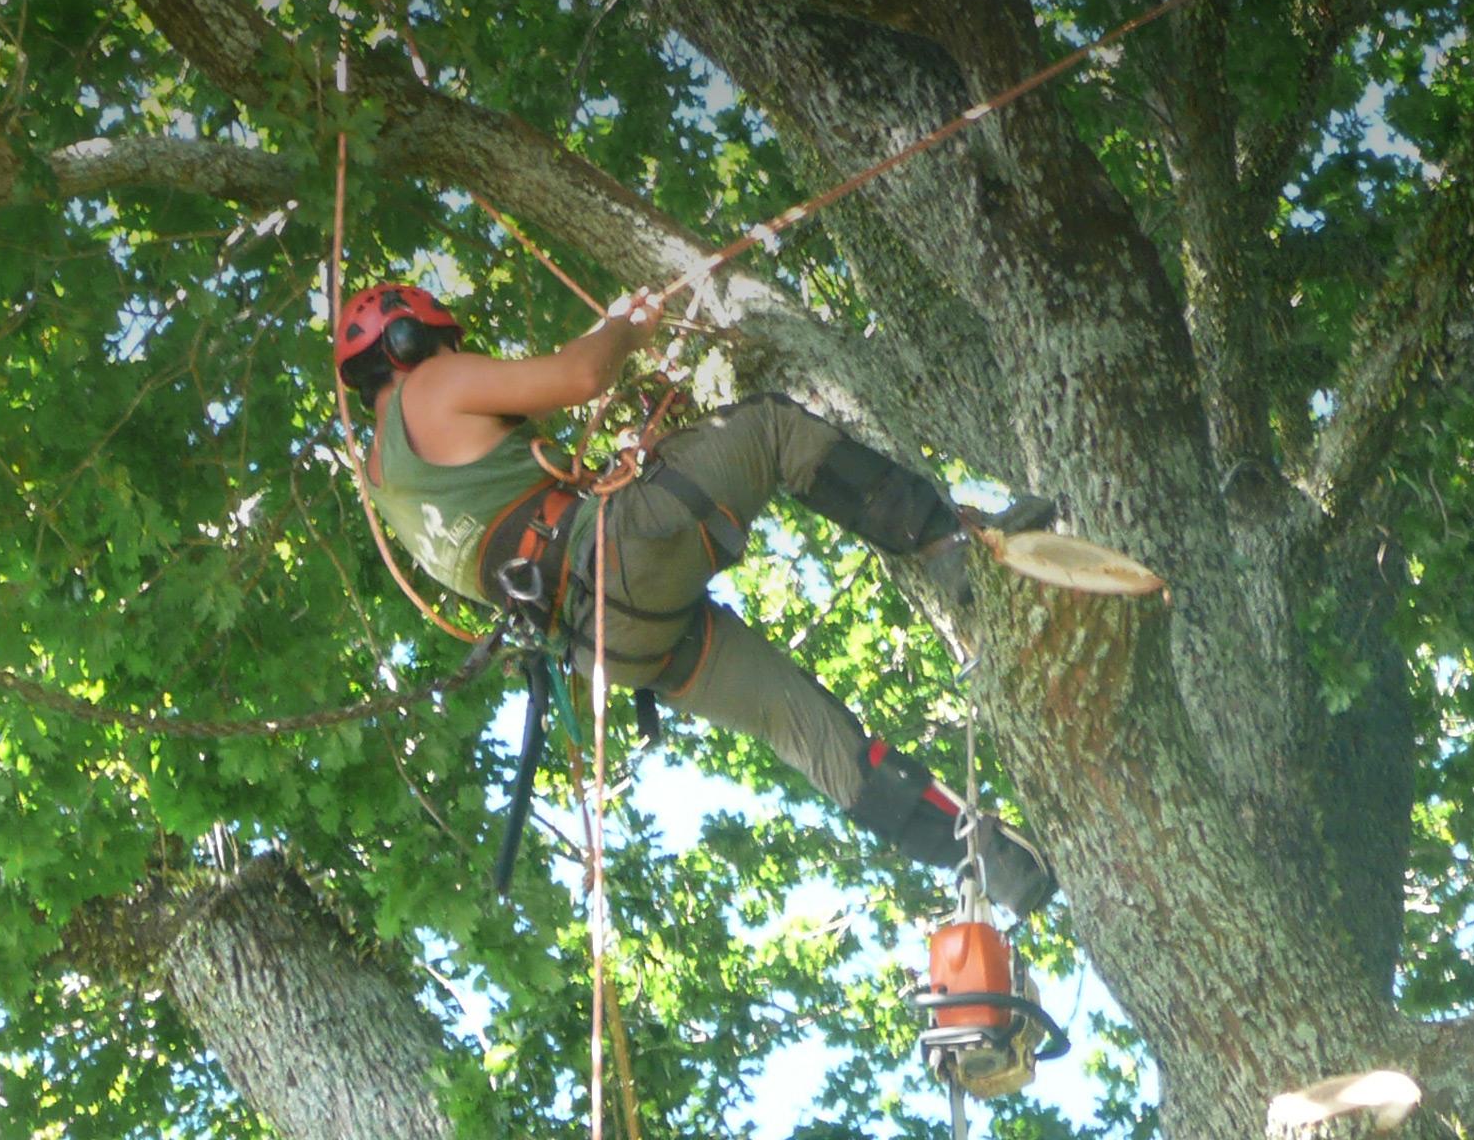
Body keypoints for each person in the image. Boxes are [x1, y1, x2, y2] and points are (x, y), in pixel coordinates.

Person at [335, 282, 1059, 916]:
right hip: (620, 556)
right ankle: (946, 547)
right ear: (409, 339)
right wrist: (629, 326)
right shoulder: (429, 389)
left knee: (796, 722)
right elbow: (582, 373)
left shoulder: (387, 486)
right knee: (770, 429)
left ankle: (984, 860)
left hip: (609, 647)